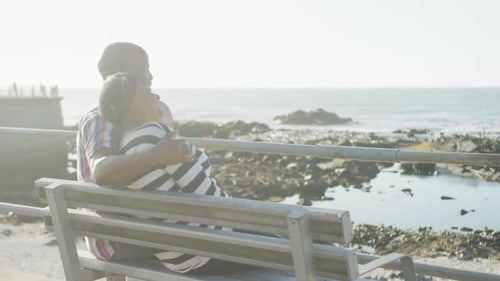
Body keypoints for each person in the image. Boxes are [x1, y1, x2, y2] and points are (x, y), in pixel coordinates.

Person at [98, 72, 256, 274]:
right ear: (131, 106)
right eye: (148, 93)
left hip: (176, 258)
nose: (157, 97)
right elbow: (211, 199)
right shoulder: (155, 134)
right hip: (212, 249)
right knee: (300, 249)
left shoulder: (123, 147)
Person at [77, 42, 192, 263]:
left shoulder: (141, 116)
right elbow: (102, 171)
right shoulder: (103, 118)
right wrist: (156, 155)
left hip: (143, 231)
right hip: (120, 240)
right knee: (252, 246)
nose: (150, 76)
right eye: (142, 68)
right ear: (113, 72)